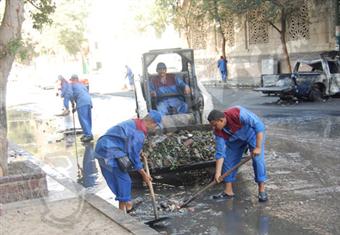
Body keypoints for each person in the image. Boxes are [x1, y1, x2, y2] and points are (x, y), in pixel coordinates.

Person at [94, 110, 163, 213]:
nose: (155, 128)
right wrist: (144, 174)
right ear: (152, 122)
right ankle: (123, 212)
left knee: (116, 180)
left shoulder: (135, 122)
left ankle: (126, 206)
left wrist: (138, 151)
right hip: (111, 152)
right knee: (124, 181)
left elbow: (127, 142)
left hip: (101, 148)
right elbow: (134, 156)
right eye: (156, 125)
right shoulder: (139, 133)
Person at [207, 106, 268, 202]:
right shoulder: (218, 131)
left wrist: (258, 147)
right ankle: (228, 191)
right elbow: (220, 153)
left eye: (215, 125)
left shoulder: (237, 113)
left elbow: (259, 126)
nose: (214, 128)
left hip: (252, 134)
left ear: (221, 120)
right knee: (228, 161)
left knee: (258, 160)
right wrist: (218, 173)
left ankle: (262, 190)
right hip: (235, 140)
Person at [70, 74, 93, 142]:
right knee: (88, 118)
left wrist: (73, 104)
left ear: (74, 80)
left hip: (82, 102)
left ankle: (88, 135)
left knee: (83, 119)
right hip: (88, 101)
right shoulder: (81, 85)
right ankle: (88, 133)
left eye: (72, 80)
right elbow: (85, 92)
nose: (71, 82)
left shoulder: (73, 86)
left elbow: (70, 95)